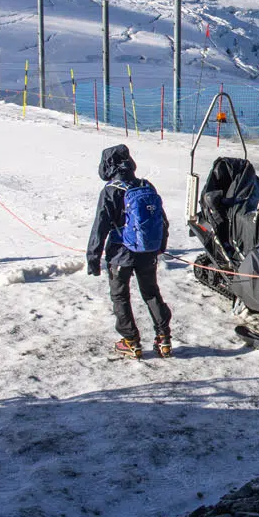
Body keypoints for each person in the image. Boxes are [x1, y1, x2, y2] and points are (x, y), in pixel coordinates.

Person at [86, 145, 173, 359]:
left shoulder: (110, 190)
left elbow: (100, 226)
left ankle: (130, 341)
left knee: (120, 296)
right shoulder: (145, 185)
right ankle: (164, 339)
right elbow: (161, 220)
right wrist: (159, 245)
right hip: (147, 251)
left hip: (120, 254)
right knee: (151, 293)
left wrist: (93, 257)